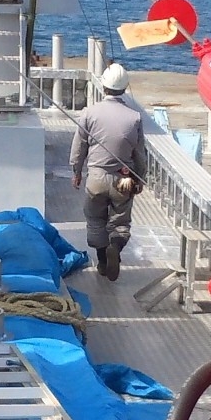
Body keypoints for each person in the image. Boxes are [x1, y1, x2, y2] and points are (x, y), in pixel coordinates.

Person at [70, 63, 144, 280]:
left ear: (103, 86)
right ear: (125, 87)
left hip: (96, 177)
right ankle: (115, 247)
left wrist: (77, 172)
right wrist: (140, 178)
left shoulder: (89, 113)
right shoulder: (135, 117)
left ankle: (103, 261)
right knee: (120, 222)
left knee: (95, 220)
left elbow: (79, 147)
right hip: (123, 178)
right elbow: (140, 153)